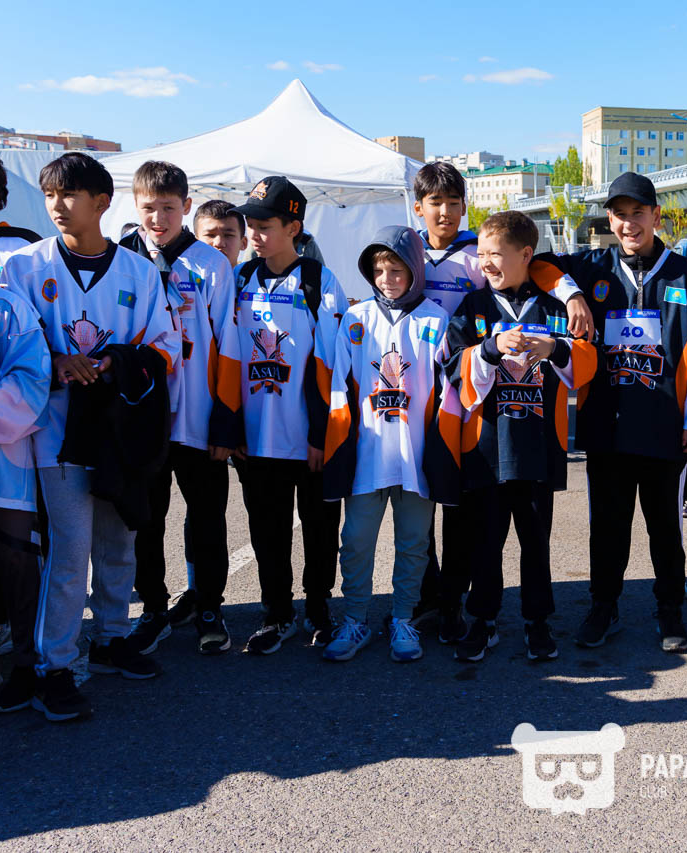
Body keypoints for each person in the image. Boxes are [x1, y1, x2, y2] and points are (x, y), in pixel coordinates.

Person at [3, 153, 178, 720]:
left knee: (118, 538)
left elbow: (164, 348)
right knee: (70, 548)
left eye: (69, 194)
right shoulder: (22, 267)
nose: (57, 205)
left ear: (102, 203)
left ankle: (109, 637)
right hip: (55, 430)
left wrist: (112, 363)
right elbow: (11, 342)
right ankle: (53, 665)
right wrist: (54, 361)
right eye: (50, 194)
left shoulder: (138, 273)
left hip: (118, 427)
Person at [525, 172, 687, 653]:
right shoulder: (592, 267)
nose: (629, 224)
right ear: (609, 219)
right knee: (608, 527)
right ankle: (603, 606)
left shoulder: (685, 273)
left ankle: (670, 610)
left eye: (638, 213)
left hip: (665, 426)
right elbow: (537, 264)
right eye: (620, 214)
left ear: (656, 215)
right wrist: (571, 294)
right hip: (606, 426)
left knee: (666, 529)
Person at [408, 162, 590, 640]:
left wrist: (568, 305)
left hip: (512, 431)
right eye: (435, 203)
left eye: (453, 203)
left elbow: (538, 266)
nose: (445, 212)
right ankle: (445, 606)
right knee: (441, 519)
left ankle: (510, 616)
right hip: (439, 408)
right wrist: (487, 349)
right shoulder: (410, 253)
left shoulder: (485, 257)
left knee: (509, 533)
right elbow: (453, 359)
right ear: (419, 207)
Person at [444, 211, 597, 663]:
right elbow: (452, 367)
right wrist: (489, 349)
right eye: (481, 254)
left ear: (526, 255)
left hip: (538, 446)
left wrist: (557, 348)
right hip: (487, 448)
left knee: (536, 542)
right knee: (485, 543)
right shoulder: (473, 306)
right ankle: (483, 619)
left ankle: (537, 621)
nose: (486, 263)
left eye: (496, 254)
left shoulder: (554, 307)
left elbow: (587, 362)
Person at [209, 176, 347, 654]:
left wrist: (321, 434)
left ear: (294, 227)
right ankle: (277, 613)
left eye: (265, 226)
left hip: (308, 440)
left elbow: (332, 364)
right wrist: (230, 426)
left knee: (320, 529)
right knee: (266, 531)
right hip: (255, 438)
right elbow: (226, 356)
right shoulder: (240, 279)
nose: (254, 235)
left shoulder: (319, 281)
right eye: (250, 225)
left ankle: (319, 607)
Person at [320, 226, 460, 662]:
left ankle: (403, 617)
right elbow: (340, 387)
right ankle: (355, 618)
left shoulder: (436, 319)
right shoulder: (356, 318)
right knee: (355, 541)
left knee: (414, 543)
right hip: (368, 454)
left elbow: (448, 393)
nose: (387, 279)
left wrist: (442, 453)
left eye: (397, 270)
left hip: (415, 456)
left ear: (415, 269)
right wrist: (338, 448)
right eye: (379, 270)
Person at [119, 161, 235, 656]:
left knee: (207, 516)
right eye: (149, 208)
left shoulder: (211, 264)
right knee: (146, 518)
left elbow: (229, 344)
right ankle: (153, 607)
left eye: (169, 208)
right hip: (144, 416)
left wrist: (225, 419)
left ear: (186, 207)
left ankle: (208, 606)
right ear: (135, 206)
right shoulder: (122, 258)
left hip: (197, 415)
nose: (158, 218)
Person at [0, 281, 52, 713]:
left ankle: (25, 663)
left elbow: (33, 382)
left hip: (6, 469)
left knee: (16, 560)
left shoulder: (7, 306)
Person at [0, 153, 42, 662]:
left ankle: (27, 654)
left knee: (15, 550)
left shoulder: (10, 295)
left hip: (6, 455)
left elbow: (31, 377)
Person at [194, 200, 247, 269]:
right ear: (195, 243)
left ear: (243, 243)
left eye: (228, 235)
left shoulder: (255, 275)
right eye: (210, 235)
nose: (219, 243)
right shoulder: (181, 274)